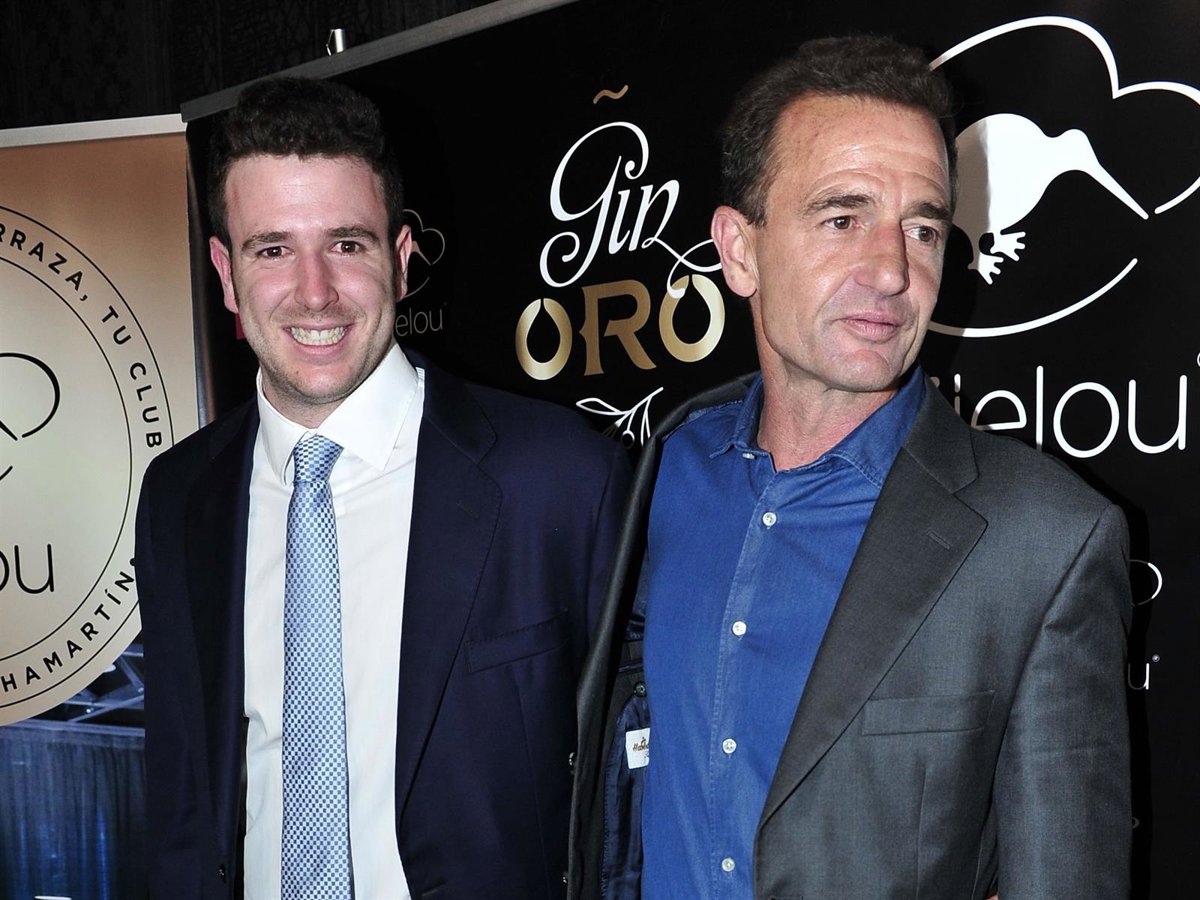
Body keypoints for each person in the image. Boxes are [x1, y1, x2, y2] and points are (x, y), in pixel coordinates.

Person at [568, 34, 1132, 900]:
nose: (893, 270)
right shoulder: (671, 470)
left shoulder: (1044, 541)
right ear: (739, 250)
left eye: (923, 228)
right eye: (843, 218)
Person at [136, 75, 631, 900]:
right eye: (272, 250)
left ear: (400, 260)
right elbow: (183, 795)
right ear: (225, 272)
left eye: (346, 244)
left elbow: (632, 798)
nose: (314, 291)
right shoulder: (178, 496)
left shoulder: (559, 479)